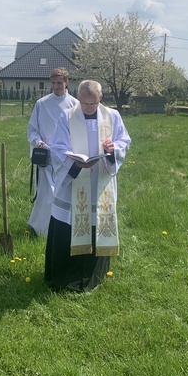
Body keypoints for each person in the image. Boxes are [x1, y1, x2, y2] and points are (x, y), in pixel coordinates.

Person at [45, 80, 131, 292]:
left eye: (92, 104)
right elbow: (57, 148)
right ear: (79, 98)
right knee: (70, 221)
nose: (88, 108)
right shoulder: (67, 116)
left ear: (100, 98)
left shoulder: (113, 116)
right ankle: (64, 277)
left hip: (100, 181)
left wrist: (112, 149)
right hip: (73, 181)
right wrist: (75, 163)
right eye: (84, 103)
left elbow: (124, 141)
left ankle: (94, 275)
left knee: (96, 219)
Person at [26, 67, 77, 236]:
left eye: (60, 83)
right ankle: (42, 228)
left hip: (66, 156)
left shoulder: (75, 105)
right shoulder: (42, 104)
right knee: (46, 194)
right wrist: (38, 142)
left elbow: (78, 131)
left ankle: (63, 229)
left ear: (67, 82)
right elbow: (33, 129)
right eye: (54, 83)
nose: (56, 86)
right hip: (46, 155)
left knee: (64, 194)